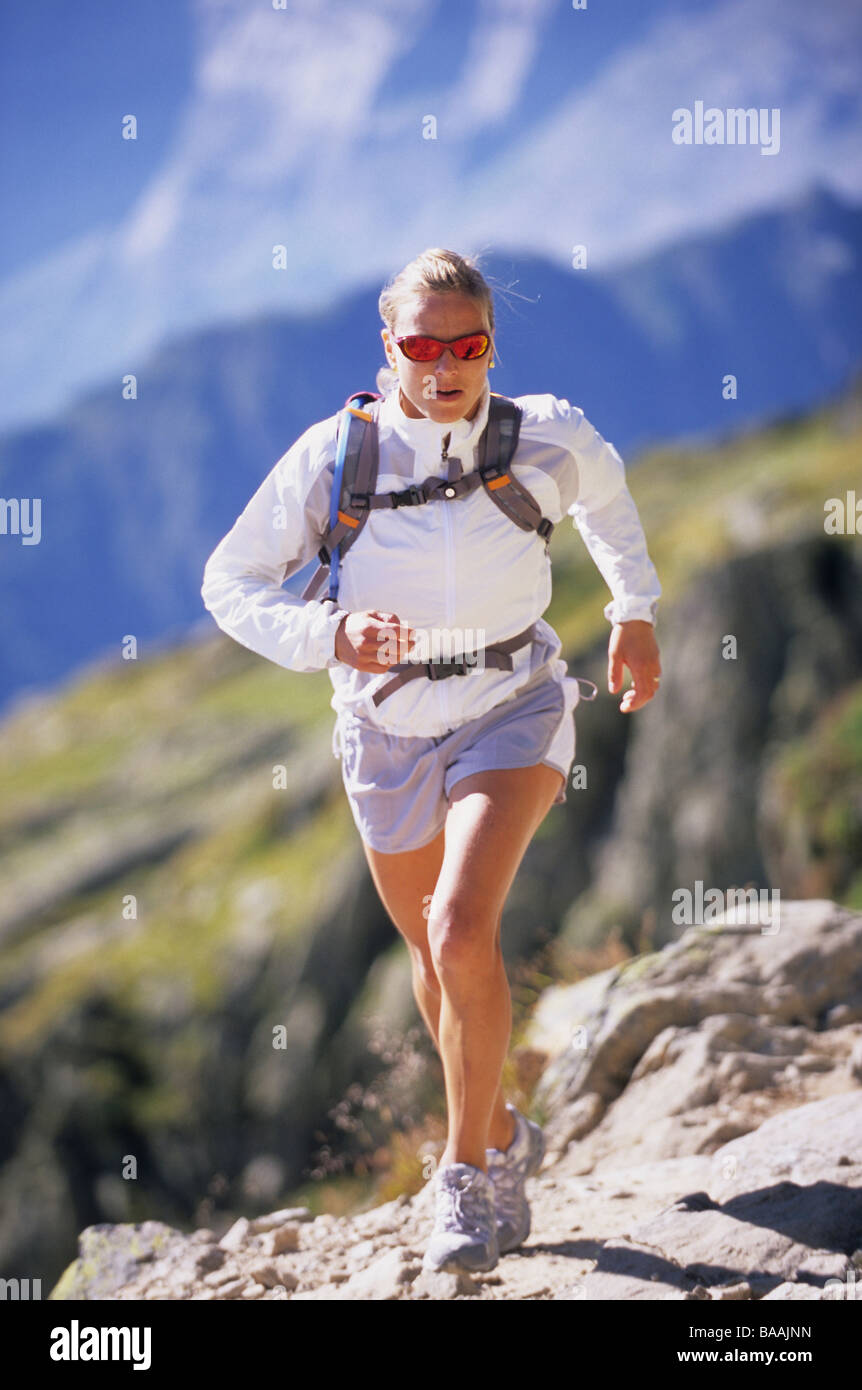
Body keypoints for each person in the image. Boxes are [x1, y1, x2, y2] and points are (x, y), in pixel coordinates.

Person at [200, 247, 662, 1276]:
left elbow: (610, 504)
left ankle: (463, 1175)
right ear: (388, 349)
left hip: (514, 702)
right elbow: (230, 581)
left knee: (461, 924)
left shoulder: (544, 433)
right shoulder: (335, 458)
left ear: (491, 343)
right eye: (422, 345)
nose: (446, 364)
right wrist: (330, 634)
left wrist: (633, 614)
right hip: (384, 727)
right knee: (432, 958)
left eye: (468, 344)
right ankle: (498, 1126)